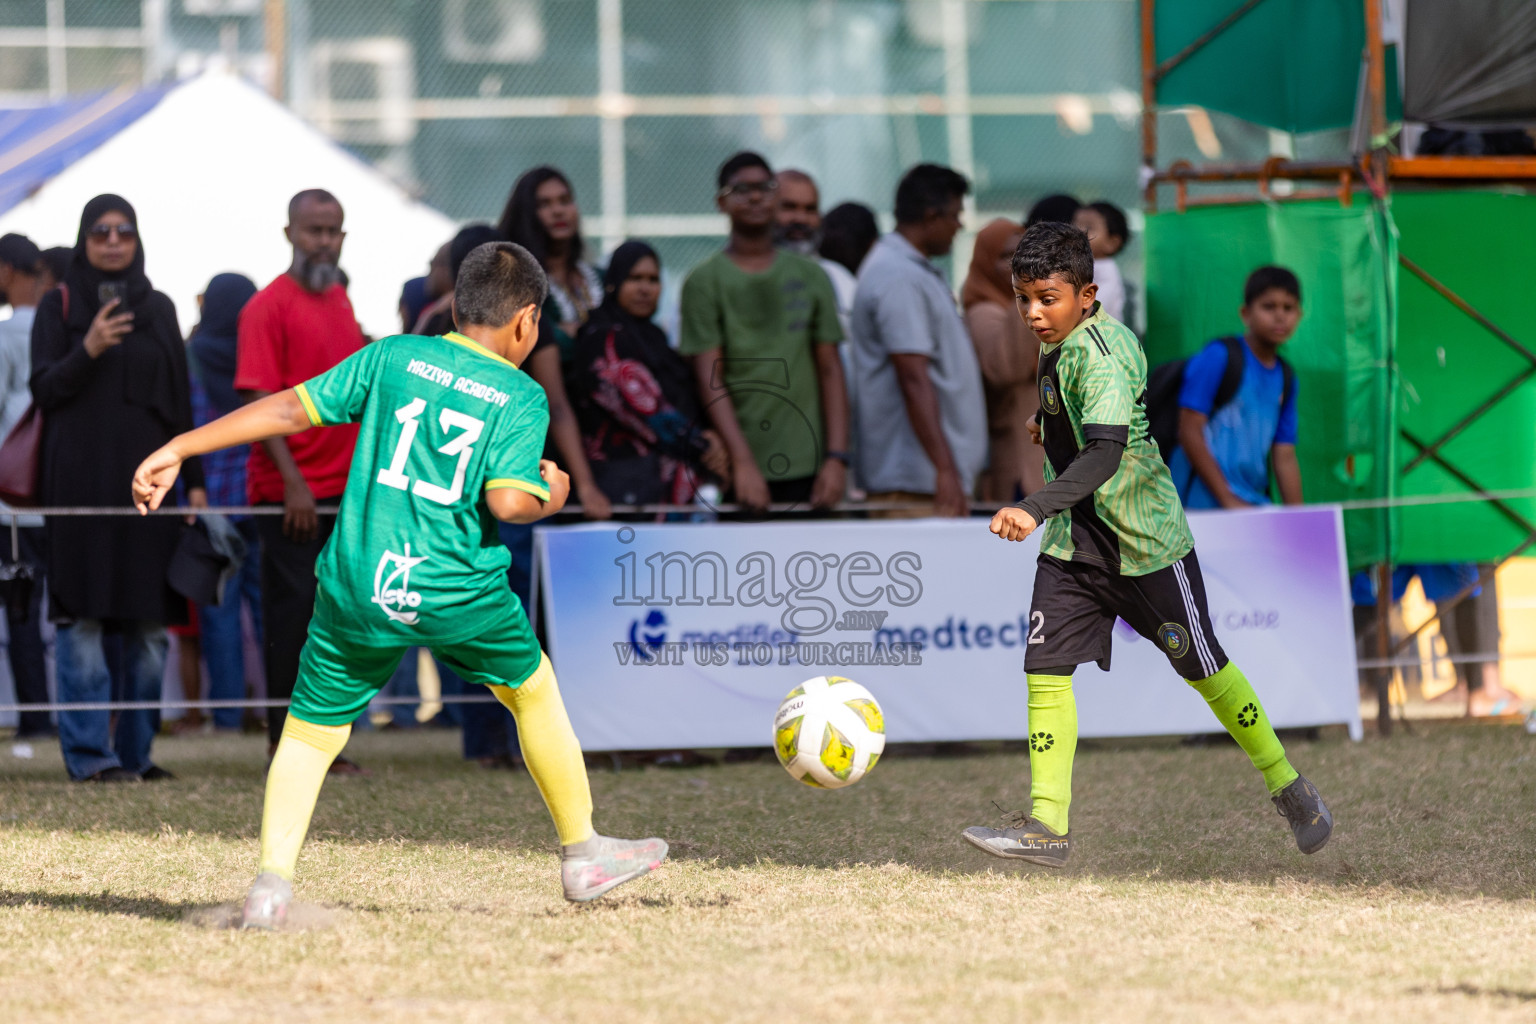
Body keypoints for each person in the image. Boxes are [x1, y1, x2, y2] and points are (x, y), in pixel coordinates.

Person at [132, 240, 669, 928]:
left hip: (361, 577)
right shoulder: (519, 393)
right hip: (455, 590)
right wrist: (553, 492)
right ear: (527, 323)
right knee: (532, 689)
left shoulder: (391, 357)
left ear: (453, 305)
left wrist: (180, 446)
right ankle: (583, 853)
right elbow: (508, 502)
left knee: (308, 733)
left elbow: (292, 411)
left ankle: (270, 888)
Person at [960, 222, 1332, 866]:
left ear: (1087, 293)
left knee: (1203, 668)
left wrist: (1030, 506)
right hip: (1077, 545)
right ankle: (1047, 827)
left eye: (1046, 298)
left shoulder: (1100, 353)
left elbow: (1105, 455)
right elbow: (1077, 421)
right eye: (1022, 299)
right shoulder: (1061, 338)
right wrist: (1045, 423)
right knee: (1045, 668)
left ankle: (1289, 786)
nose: (1032, 314)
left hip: (1145, 545)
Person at [30, 194, 206, 782]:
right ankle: (90, 757)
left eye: (123, 231)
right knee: (80, 623)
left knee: (149, 628)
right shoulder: (58, 306)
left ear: (136, 239)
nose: (112, 241)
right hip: (77, 490)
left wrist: (196, 485)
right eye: (100, 231)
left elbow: (181, 402)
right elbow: (45, 392)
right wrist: (89, 349)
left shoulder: (157, 308)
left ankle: (136, 754)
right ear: (84, 239)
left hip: (149, 495)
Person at [236, 189, 365, 771]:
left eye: (334, 230)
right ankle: (284, 745)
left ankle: (327, 744)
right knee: (292, 621)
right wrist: (293, 483)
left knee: (342, 618)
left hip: (345, 491)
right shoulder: (266, 307)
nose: (325, 241)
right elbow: (258, 400)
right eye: (314, 230)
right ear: (290, 233)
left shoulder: (340, 299)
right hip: (288, 493)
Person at [680, 152, 848, 512]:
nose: (755, 197)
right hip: (742, 473)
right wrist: (742, 462)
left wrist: (837, 458)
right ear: (721, 203)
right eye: (742, 189)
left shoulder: (813, 277)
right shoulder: (703, 282)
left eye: (765, 188)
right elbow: (711, 379)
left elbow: (831, 370)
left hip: (813, 469)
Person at [849, 163, 985, 518]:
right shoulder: (898, 276)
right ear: (930, 215)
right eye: (955, 215)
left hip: (929, 483)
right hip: (914, 487)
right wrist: (944, 468)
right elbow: (912, 377)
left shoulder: (910, 270)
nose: (960, 225)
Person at [571, 240, 728, 507]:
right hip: (626, 495)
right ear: (614, 282)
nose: (645, 289)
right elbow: (652, 413)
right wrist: (707, 447)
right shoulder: (603, 338)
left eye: (653, 280)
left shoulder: (654, 339)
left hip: (667, 492)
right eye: (635, 279)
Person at [188, 272, 261, 732]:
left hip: (209, 506)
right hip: (258, 500)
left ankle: (228, 715)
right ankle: (281, 708)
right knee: (270, 612)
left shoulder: (191, 357)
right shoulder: (255, 357)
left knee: (219, 619)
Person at [1169, 266, 1303, 509]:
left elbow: (1284, 455)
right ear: (1245, 313)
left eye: (1288, 307)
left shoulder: (1286, 377)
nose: (1280, 316)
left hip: (1252, 504)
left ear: (1299, 315)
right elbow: (1189, 431)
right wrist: (1227, 499)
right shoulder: (1219, 356)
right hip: (1199, 505)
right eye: (1269, 306)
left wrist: (1299, 520)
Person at [0, 233, 51, 741]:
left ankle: (36, 721)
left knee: (21, 615)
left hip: (12, 503)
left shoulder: (8, 335)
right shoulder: (66, 332)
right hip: (62, 496)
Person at [962, 218, 1044, 503]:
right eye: (1006, 257)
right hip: (1018, 464)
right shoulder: (983, 312)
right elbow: (1005, 367)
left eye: (1021, 255)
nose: (1016, 264)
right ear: (985, 262)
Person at [498, 166, 603, 338]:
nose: (558, 211)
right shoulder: (511, 282)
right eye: (544, 204)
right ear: (525, 214)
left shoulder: (598, 278)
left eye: (565, 201)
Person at [1072, 200, 1129, 323]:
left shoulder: (1107, 271)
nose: (1078, 231)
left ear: (1112, 243)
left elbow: (1091, 309)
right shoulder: (1081, 264)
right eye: (1075, 225)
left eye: (1088, 227)